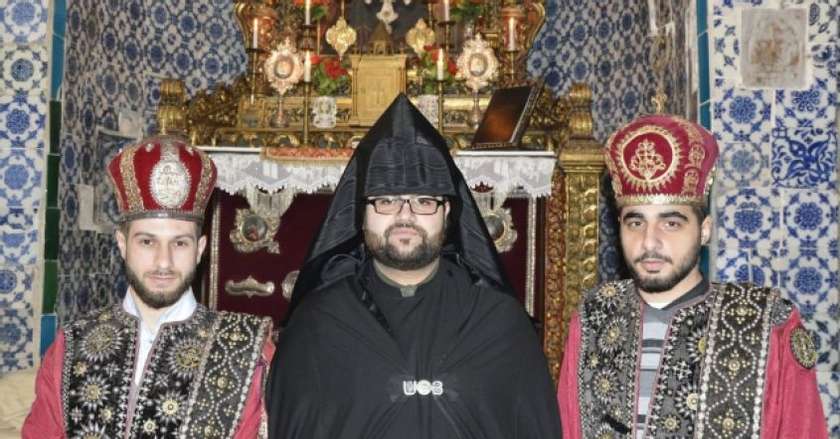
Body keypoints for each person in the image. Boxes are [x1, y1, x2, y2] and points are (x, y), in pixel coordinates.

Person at [266, 95, 562, 438]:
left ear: (447, 212)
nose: (405, 215)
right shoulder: (317, 325)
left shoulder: (499, 322)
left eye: (424, 201)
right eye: (386, 200)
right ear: (361, 212)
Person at [557, 114, 828, 438]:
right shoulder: (595, 316)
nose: (649, 241)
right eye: (636, 222)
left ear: (705, 230)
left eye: (671, 223)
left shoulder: (767, 322)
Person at [23, 135, 274, 438]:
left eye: (179, 243)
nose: (163, 262)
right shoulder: (71, 345)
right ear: (122, 244)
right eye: (146, 241)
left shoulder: (246, 351)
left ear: (200, 249)